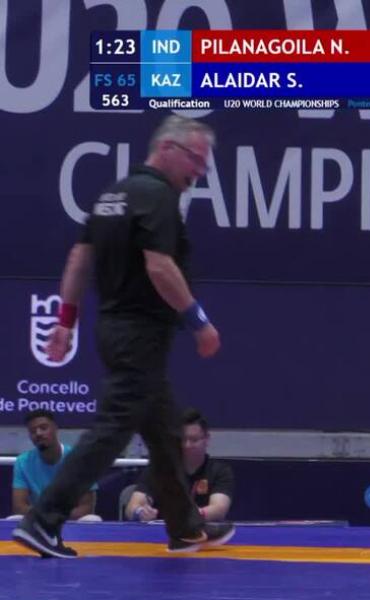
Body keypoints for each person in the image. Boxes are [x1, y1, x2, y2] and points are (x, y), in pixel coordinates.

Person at [11, 115, 234, 558]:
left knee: (165, 433)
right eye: (196, 160)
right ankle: (43, 520)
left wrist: (66, 320)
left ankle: (185, 527)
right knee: (112, 430)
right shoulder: (158, 196)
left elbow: (79, 259)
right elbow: (160, 266)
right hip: (140, 334)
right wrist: (199, 321)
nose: (199, 172)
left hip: (115, 330)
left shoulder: (113, 195)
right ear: (168, 148)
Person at [125, 408, 234, 522]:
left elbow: (219, 509)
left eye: (194, 440)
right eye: (182, 440)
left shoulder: (219, 471)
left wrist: (195, 514)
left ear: (206, 439)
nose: (187, 445)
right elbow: (131, 507)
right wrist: (140, 512)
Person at [10, 410, 97, 521]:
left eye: (43, 428)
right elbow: (19, 507)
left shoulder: (80, 459)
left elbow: (86, 507)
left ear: (55, 428)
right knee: (14, 519)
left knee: (92, 519)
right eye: (33, 431)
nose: (38, 433)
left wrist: (56, 517)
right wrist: (46, 517)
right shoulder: (22, 462)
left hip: (71, 520)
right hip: (38, 520)